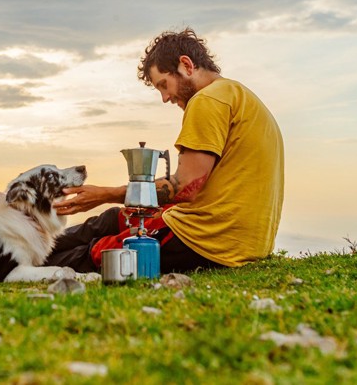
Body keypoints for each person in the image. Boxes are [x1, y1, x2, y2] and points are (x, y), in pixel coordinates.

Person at [44, 27, 284, 273]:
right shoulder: (239, 96)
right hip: (245, 240)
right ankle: (25, 242)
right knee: (113, 218)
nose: (165, 97)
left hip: (208, 240)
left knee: (96, 250)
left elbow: (185, 187)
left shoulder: (207, 101)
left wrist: (104, 194)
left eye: (164, 85)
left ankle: (14, 261)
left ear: (186, 65)